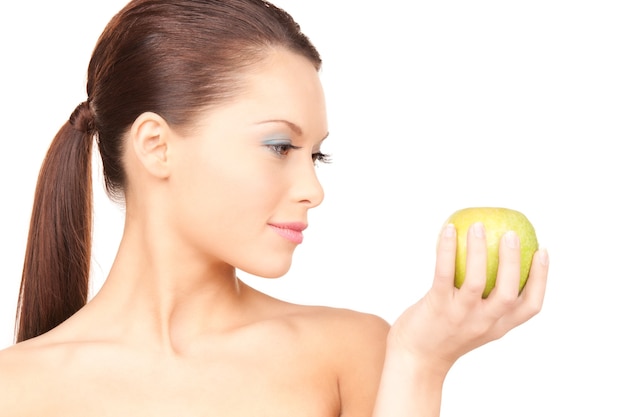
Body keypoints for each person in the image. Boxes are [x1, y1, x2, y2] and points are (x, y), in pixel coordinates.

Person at [0, 0, 549, 415]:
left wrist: (421, 363)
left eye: (316, 154)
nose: (313, 188)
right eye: (280, 147)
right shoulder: (15, 388)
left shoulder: (353, 352)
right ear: (156, 146)